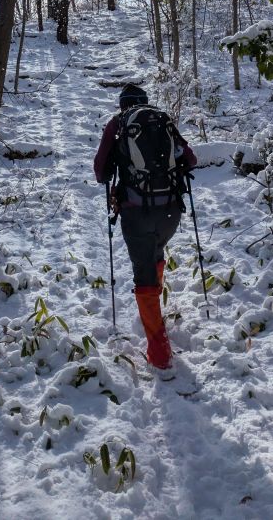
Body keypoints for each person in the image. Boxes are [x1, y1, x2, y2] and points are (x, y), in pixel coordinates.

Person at [93, 83, 197, 370]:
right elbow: (190, 159)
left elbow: (101, 172)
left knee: (144, 275)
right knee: (155, 254)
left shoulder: (117, 124)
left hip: (137, 212)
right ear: (145, 102)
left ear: (123, 104)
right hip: (170, 212)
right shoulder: (162, 119)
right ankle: (154, 315)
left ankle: (159, 351)